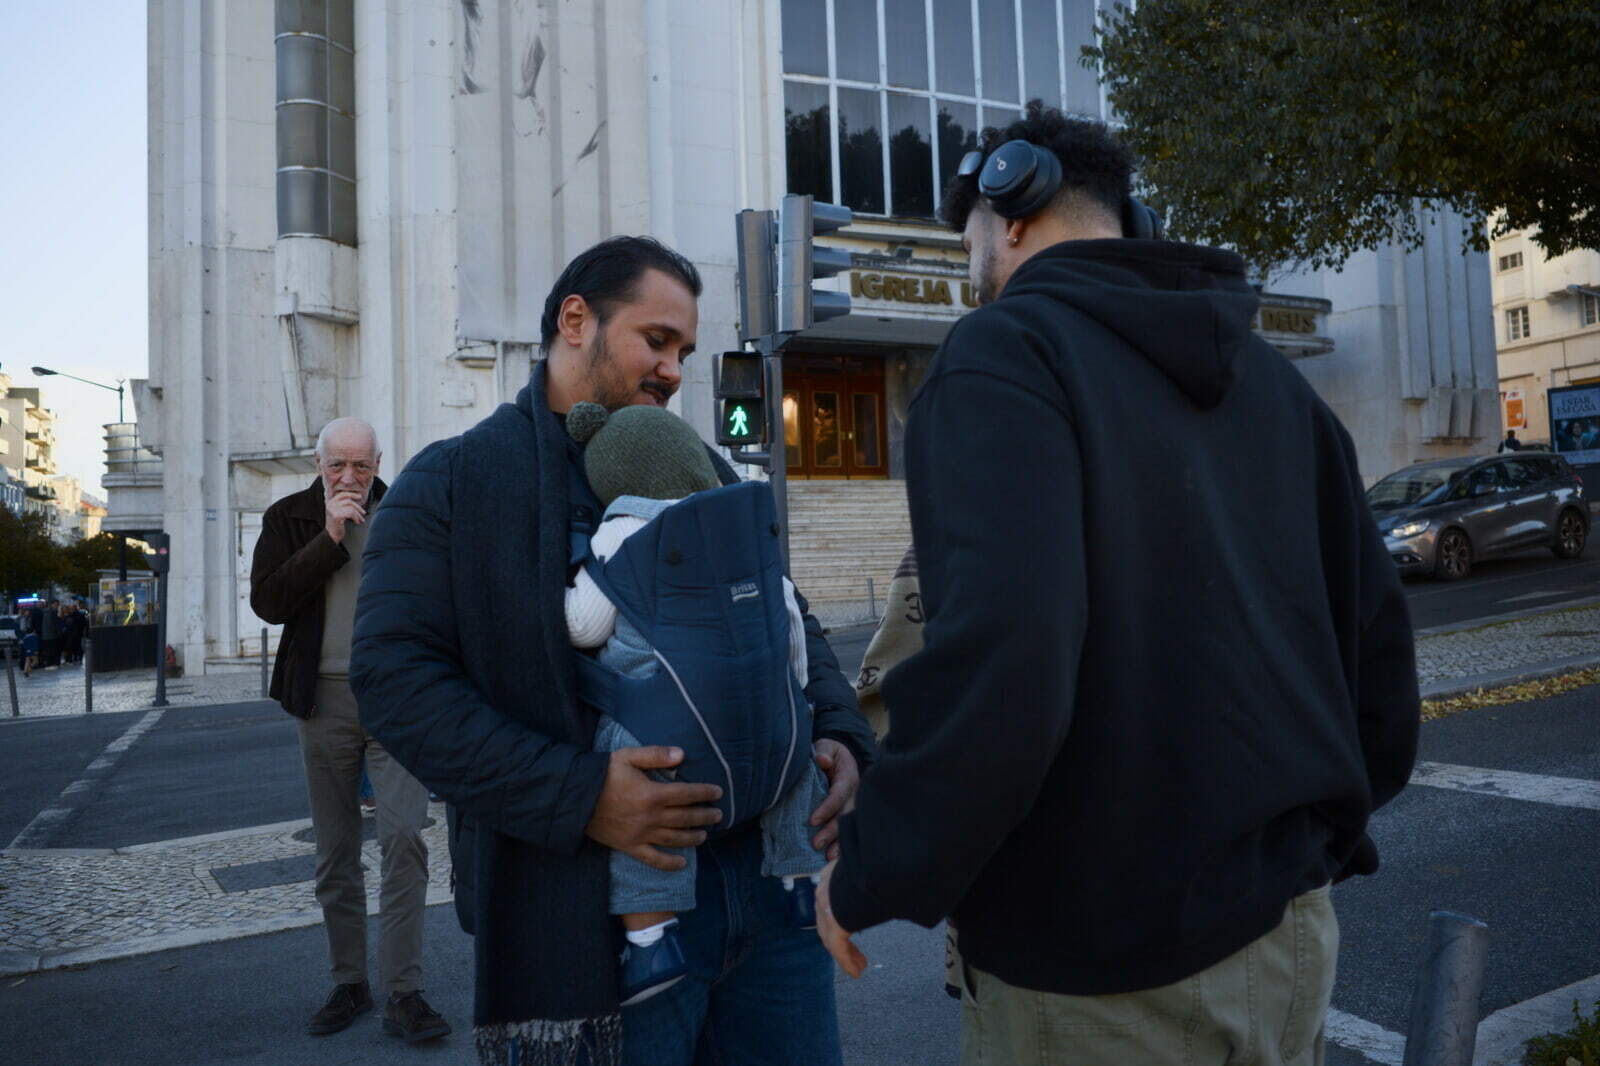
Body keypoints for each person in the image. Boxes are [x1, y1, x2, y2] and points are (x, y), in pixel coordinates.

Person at [816, 104, 1421, 1066]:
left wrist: (872, 869)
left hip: (1099, 977)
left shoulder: (1002, 359)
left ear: (1011, 204)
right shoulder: (1279, 387)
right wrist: (1301, 847)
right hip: (1291, 938)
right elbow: (1380, 664)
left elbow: (1004, 670)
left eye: (965, 226)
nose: (966, 253)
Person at [350, 235, 874, 1066]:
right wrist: (579, 793)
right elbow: (394, 681)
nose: (673, 370)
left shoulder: (700, 466)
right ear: (575, 321)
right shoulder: (451, 481)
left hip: (770, 906)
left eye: (685, 351)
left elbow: (788, 616)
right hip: (587, 917)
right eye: (656, 340)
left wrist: (842, 736)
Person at [562, 400, 830, 1007]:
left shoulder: (623, 528)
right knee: (792, 775)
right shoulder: (737, 522)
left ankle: (652, 941)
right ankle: (801, 882)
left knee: (646, 806)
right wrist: (792, 696)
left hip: (669, 720)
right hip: (765, 717)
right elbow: (787, 616)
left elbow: (582, 625)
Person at [248, 417, 449, 1045]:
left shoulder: (406, 512)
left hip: (396, 701)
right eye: (338, 464)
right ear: (319, 463)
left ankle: (405, 992)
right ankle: (349, 982)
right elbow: (269, 602)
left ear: (378, 463)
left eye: (362, 465)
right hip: (322, 700)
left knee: (405, 841)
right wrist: (331, 535)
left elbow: (439, 598)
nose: (350, 477)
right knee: (336, 854)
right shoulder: (289, 518)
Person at [39, 599, 60, 669]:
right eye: (56, 604)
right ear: (52, 604)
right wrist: (56, 631)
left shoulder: (47, 612)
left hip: (47, 635)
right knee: (51, 650)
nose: (57, 606)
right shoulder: (51, 612)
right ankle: (50, 664)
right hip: (50, 635)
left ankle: (51, 664)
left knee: (50, 650)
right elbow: (51, 624)